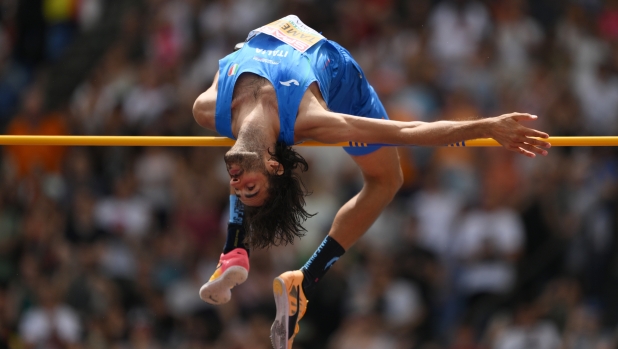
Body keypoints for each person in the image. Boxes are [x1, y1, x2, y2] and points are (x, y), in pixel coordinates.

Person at [192, 15, 551, 349]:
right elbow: (409, 132)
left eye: (238, 186)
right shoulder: (311, 119)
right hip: (341, 80)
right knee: (387, 180)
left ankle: (235, 251)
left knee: (381, 179)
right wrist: (485, 126)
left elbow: (245, 157)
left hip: (285, 46)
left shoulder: (208, 109)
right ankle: (303, 280)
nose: (234, 181)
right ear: (273, 164)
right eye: (248, 187)